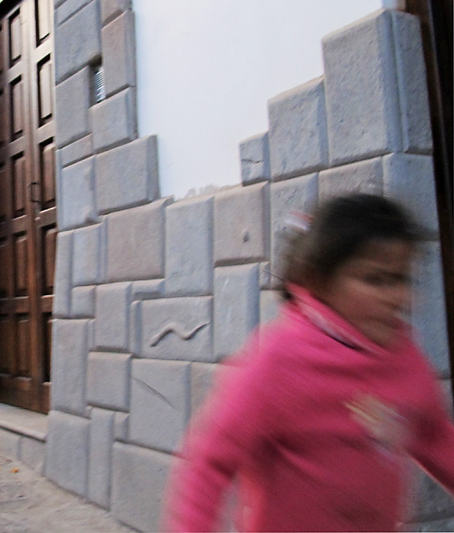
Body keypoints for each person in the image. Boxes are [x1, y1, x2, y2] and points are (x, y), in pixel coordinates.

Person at [162, 193, 454, 532]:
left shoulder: (405, 358)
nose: (397, 297)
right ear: (318, 281)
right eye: (375, 280)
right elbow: (209, 463)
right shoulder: (277, 360)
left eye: (403, 279)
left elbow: (434, 437)